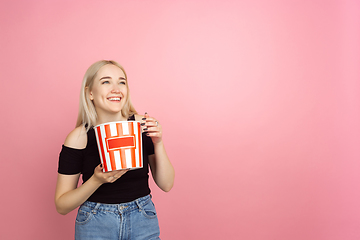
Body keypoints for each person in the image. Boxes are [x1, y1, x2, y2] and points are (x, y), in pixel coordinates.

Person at [55, 60, 175, 240]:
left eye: (121, 82)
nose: (116, 88)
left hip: (142, 217)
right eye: (106, 82)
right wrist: (96, 180)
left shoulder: (143, 125)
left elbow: (166, 184)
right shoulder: (79, 138)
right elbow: (62, 205)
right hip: (95, 221)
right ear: (90, 93)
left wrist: (158, 142)